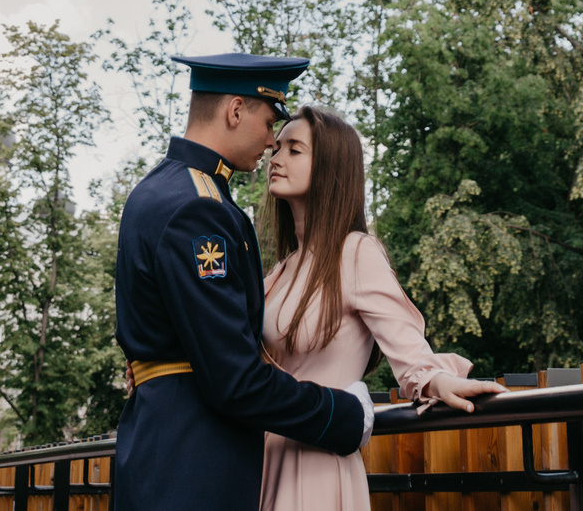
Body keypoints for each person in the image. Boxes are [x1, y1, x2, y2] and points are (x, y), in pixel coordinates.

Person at [113, 53, 371, 511]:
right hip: (195, 462)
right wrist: (344, 414)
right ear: (235, 111)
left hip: (157, 446)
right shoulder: (200, 208)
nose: (273, 142)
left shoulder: (153, 189)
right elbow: (234, 379)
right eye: (271, 123)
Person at [257, 105, 503, 511]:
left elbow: (408, 350)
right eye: (277, 146)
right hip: (266, 462)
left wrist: (437, 380)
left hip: (320, 464)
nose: (275, 157)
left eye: (294, 149)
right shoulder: (277, 274)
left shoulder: (355, 252)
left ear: (329, 167)